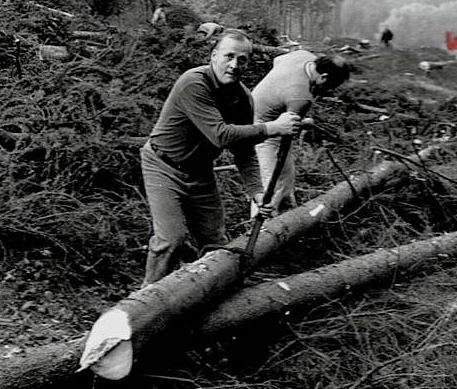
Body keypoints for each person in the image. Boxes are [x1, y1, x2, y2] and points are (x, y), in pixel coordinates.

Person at [140, 28, 301, 285]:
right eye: (228, 56)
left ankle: (209, 296)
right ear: (214, 56)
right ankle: (146, 302)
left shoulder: (242, 98)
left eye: (242, 60)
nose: (234, 65)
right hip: (163, 166)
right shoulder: (193, 83)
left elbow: (245, 151)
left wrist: (257, 193)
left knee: (215, 243)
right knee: (171, 239)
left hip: (200, 171)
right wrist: (271, 128)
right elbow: (221, 135)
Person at [250, 50, 352, 216]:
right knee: (268, 181)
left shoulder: (304, 56)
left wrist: (278, 88)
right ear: (323, 77)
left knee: (287, 175)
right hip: (261, 127)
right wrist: (300, 122)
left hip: (261, 108)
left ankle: (286, 210)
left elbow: (278, 60)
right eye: (330, 86)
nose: (327, 91)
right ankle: (260, 226)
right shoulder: (300, 97)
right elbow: (287, 132)